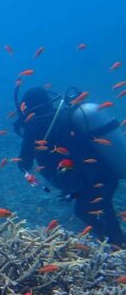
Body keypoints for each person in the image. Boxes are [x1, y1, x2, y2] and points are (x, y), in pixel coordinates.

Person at [14, 86, 126, 245]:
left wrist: (26, 132)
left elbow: (24, 162)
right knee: (93, 211)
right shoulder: (64, 115)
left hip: (90, 181)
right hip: (102, 175)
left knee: (89, 212)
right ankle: (112, 245)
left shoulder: (36, 125)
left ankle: (115, 248)